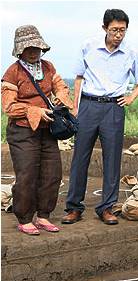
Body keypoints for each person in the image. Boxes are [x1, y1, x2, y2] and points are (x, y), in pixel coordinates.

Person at [62, 9, 138, 225]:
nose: (118, 35)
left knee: (112, 159)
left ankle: (107, 207)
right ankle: (74, 207)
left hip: (113, 108)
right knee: (80, 157)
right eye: (114, 30)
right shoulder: (88, 46)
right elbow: (79, 77)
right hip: (88, 106)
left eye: (122, 30)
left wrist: (131, 97)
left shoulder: (131, 52)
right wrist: (75, 106)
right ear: (104, 28)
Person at [1, 25, 74, 235]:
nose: (34, 51)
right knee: (27, 174)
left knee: (52, 174)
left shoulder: (48, 67)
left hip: (48, 130)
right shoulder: (13, 72)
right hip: (23, 131)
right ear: (20, 50)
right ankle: (24, 218)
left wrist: (60, 97)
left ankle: (43, 216)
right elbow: (9, 107)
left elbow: (60, 85)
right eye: (29, 48)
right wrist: (34, 111)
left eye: (37, 47)